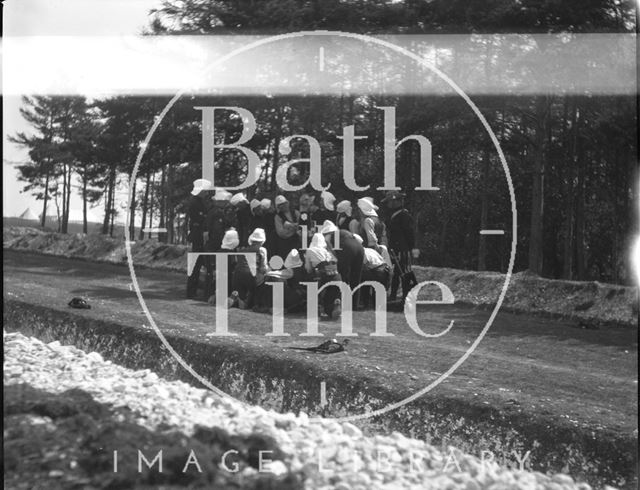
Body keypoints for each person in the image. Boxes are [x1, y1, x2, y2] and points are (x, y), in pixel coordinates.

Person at [382, 190, 418, 301]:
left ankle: (406, 296)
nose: (388, 204)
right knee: (396, 273)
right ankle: (393, 295)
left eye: (389, 202)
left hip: (403, 249)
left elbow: (409, 233)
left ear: (395, 202)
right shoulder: (393, 215)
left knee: (404, 273)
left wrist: (412, 248)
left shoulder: (404, 215)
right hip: (395, 249)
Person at [319, 219, 364, 308]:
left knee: (343, 276)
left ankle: (342, 302)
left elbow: (331, 252)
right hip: (359, 248)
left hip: (347, 249)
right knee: (356, 277)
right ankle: (354, 304)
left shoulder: (328, 236)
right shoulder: (343, 232)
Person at [304, 233, 342, 320]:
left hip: (323, 275)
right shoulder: (327, 251)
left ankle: (316, 309)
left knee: (316, 291)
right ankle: (335, 305)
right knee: (330, 295)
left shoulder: (310, 250)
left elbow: (308, 268)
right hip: (336, 275)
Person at [230, 228, 269, 309]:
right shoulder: (262, 251)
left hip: (237, 276)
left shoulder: (242, 250)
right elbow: (263, 269)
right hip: (249, 276)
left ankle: (238, 299)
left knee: (242, 294)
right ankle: (258, 303)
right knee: (265, 279)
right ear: (262, 241)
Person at [186, 178, 212, 299]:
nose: (207, 193)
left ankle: (194, 290)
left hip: (200, 235)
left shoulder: (200, 202)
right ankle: (191, 291)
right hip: (198, 236)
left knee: (199, 264)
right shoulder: (195, 203)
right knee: (196, 264)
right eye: (205, 191)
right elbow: (199, 219)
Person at [354, 234, 391, 308]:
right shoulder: (370, 250)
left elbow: (363, 266)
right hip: (385, 270)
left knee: (362, 278)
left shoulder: (361, 253)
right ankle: (373, 305)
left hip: (378, 272)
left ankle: (365, 303)